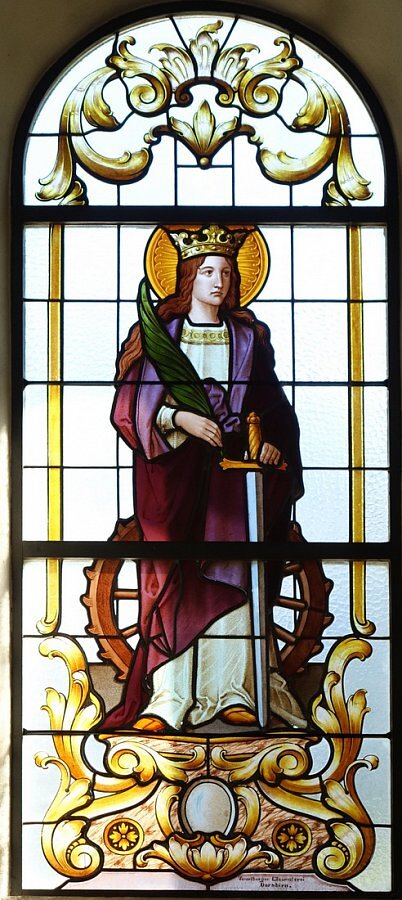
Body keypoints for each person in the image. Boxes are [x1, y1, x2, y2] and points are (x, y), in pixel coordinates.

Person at [101, 224, 306, 732]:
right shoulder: (161, 336)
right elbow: (128, 407)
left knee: (233, 569)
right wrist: (180, 419)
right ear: (189, 276)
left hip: (232, 478)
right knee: (174, 577)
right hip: (172, 475)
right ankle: (169, 697)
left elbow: (271, 405)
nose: (219, 281)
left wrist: (272, 441)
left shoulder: (248, 338)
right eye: (209, 271)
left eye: (227, 272)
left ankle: (233, 691)